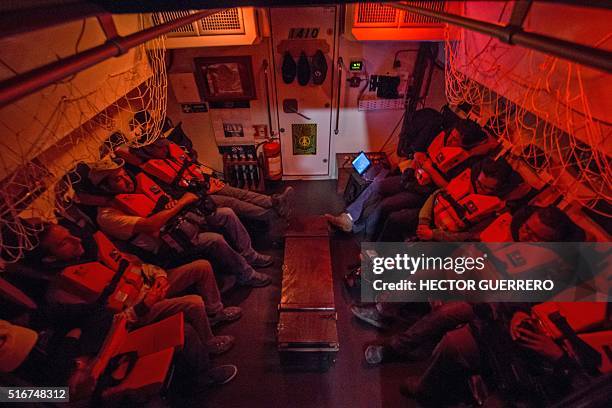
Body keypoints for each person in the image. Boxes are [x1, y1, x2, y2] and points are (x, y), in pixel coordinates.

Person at [355, 206, 585, 366]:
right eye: (527, 229)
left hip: (487, 304)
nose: (527, 237)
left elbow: (513, 302)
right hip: (468, 276)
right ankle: (384, 311)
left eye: (538, 238)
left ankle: (397, 347)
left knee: (451, 310)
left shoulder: (550, 269)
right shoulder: (509, 234)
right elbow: (471, 248)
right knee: (428, 270)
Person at [30, 222, 239, 356]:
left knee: (201, 267)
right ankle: (210, 343)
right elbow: (101, 327)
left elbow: (136, 266)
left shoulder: (93, 253)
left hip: (148, 286)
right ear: (50, 257)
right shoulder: (62, 292)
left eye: (70, 234)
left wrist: (159, 276)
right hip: (136, 313)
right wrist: (144, 305)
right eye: (64, 243)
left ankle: (215, 313)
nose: (76, 240)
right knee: (193, 302)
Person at [84, 158, 272, 287]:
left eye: (125, 174)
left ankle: (250, 254)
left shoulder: (136, 192)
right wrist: (181, 202)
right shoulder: (108, 216)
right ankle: (245, 274)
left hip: (183, 223)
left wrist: (171, 203)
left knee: (227, 213)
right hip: (167, 245)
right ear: (105, 187)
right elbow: (151, 225)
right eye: (118, 179)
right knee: (215, 240)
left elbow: (163, 203)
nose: (126, 180)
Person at [325, 119, 492, 239]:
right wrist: (413, 166)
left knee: (385, 205)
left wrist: (430, 170)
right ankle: (349, 219)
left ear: (465, 144)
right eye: (452, 135)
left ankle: (365, 236)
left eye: (456, 140)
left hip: (426, 193)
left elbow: (448, 188)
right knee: (377, 185)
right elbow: (422, 156)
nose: (451, 140)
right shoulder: (442, 140)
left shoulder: (467, 163)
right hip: (413, 178)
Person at [117, 137, 295, 222]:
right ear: (149, 149)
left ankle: (274, 201)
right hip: (193, 198)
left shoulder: (173, 151)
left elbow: (195, 168)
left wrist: (210, 180)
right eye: (157, 147)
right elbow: (125, 153)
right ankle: (272, 215)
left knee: (239, 192)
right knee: (233, 202)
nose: (163, 149)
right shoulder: (148, 164)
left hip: (204, 185)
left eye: (163, 145)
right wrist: (116, 145)